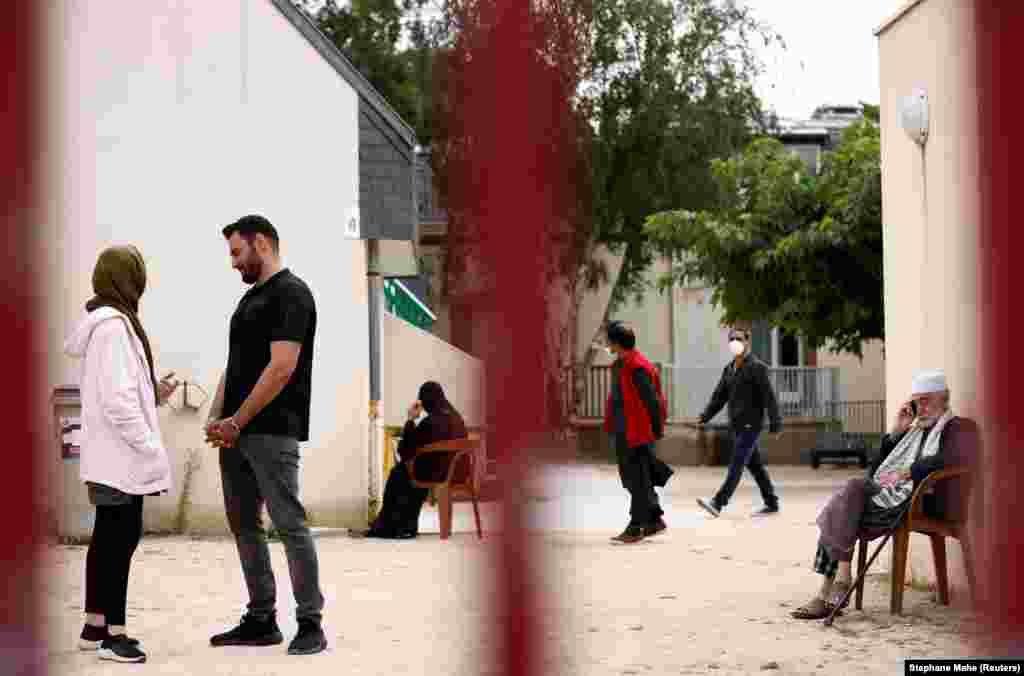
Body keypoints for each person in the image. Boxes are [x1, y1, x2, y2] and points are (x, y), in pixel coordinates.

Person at [204, 215, 327, 655]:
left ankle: (310, 622)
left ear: (262, 243)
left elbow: (282, 367)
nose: (234, 264)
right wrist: (219, 415)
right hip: (236, 434)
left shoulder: (293, 294)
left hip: (273, 432)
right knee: (244, 525)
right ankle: (261, 618)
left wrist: (238, 419)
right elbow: (235, 363)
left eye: (238, 253)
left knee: (289, 524)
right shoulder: (249, 301)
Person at [64, 245, 178, 664]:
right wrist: (149, 443)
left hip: (113, 457)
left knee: (109, 538)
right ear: (125, 279)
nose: (142, 281)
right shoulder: (114, 328)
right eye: (138, 273)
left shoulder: (112, 325)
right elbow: (117, 402)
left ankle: (95, 626)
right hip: (120, 458)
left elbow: (124, 392)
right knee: (118, 540)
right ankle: (116, 634)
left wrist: (154, 394)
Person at [789, 369, 978, 619]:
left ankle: (828, 591)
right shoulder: (913, 431)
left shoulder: (960, 427)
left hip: (921, 501)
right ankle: (839, 580)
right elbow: (875, 472)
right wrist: (896, 431)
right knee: (846, 501)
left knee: (845, 502)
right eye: (916, 401)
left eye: (925, 400)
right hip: (892, 499)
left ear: (943, 398)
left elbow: (955, 457)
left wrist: (908, 472)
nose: (919, 407)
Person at [695, 327, 782, 518]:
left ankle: (718, 502)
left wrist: (776, 422)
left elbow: (769, 397)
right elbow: (719, 397)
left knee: (736, 464)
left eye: (739, 339)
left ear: (747, 342)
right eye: (732, 339)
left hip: (751, 425)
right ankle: (771, 502)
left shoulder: (757, 367)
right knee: (755, 465)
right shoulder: (729, 369)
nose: (735, 342)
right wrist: (705, 416)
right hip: (737, 425)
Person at [364, 381, 468, 539]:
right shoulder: (458, 419)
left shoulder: (430, 422)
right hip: (458, 474)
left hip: (437, 475)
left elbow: (405, 450)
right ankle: (407, 525)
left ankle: (390, 527)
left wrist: (411, 419)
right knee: (416, 470)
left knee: (399, 473)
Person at [601, 321, 673, 544]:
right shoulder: (620, 364)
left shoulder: (637, 366)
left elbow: (652, 401)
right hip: (624, 430)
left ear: (616, 342)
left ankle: (635, 527)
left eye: (609, 340)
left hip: (637, 432)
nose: (606, 344)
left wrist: (654, 429)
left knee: (637, 478)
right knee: (635, 479)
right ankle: (654, 520)